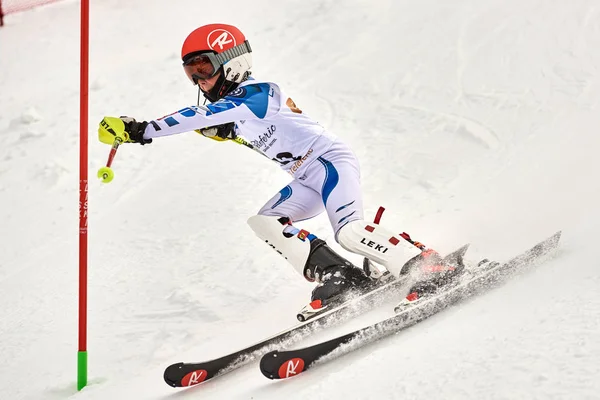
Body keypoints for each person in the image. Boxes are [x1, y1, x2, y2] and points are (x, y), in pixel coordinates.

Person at [98, 23, 457, 309]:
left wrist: (141, 130)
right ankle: (339, 274)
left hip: (328, 161)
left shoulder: (259, 93)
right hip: (304, 177)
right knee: (264, 221)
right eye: (191, 73)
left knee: (348, 231)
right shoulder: (238, 111)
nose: (199, 80)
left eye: (204, 68)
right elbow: (233, 126)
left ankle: (425, 263)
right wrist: (230, 132)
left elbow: (198, 115)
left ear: (231, 60)